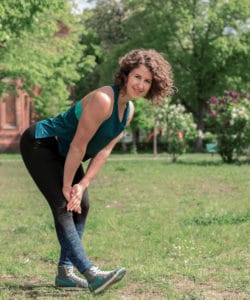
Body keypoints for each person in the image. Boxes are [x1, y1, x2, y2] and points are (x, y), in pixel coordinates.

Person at [20, 48, 174, 294]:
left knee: (83, 205)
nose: (141, 84)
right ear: (126, 74)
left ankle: (65, 273)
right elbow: (79, 145)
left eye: (147, 81)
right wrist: (68, 185)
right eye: (137, 77)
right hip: (42, 143)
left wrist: (82, 186)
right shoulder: (104, 100)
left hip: (67, 152)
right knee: (63, 204)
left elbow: (103, 151)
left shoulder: (129, 111)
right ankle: (91, 274)